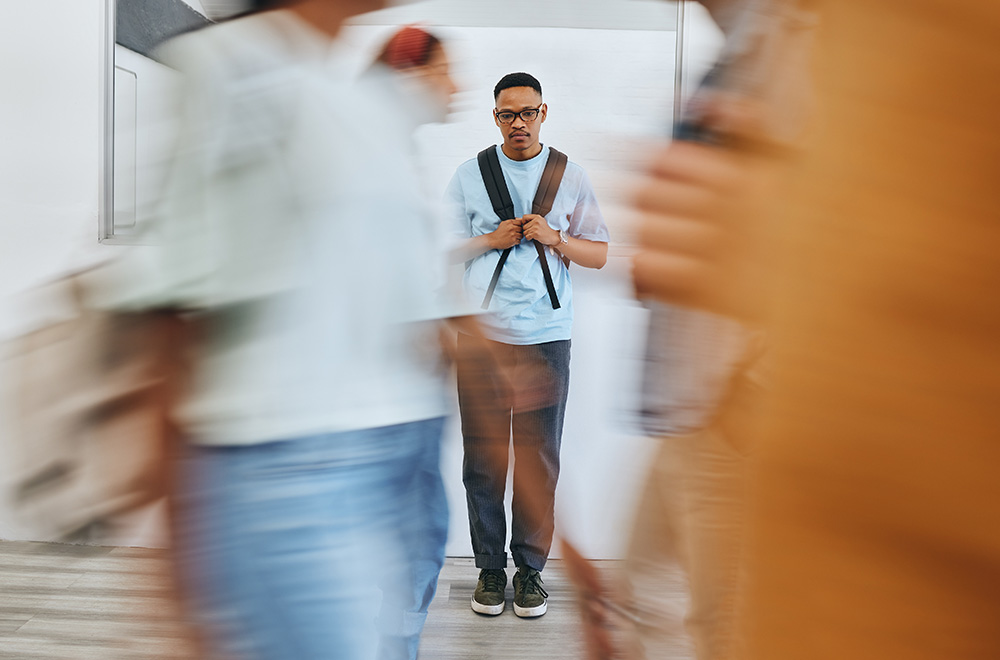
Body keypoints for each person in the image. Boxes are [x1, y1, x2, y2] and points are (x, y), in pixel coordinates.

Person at [631, 1, 1000, 659]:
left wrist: (797, 262)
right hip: (696, 404)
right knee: (649, 605)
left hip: (758, 415)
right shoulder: (774, 28)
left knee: (717, 622)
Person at [101, 1, 460, 658]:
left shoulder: (356, 100)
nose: (454, 87)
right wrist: (176, 545)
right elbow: (175, 308)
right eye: (448, 73)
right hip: (284, 468)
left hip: (384, 453)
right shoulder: (230, 64)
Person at [445, 71, 610, 618]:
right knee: (484, 459)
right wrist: (490, 240)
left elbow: (599, 254)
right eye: (507, 114)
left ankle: (531, 573)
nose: (518, 122)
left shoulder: (571, 175)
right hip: (482, 336)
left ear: (544, 113)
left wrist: (556, 238)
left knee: (539, 460)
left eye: (528, 112)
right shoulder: (470, 175)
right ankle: (490, 570)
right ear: (495, 117)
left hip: (546, 336)